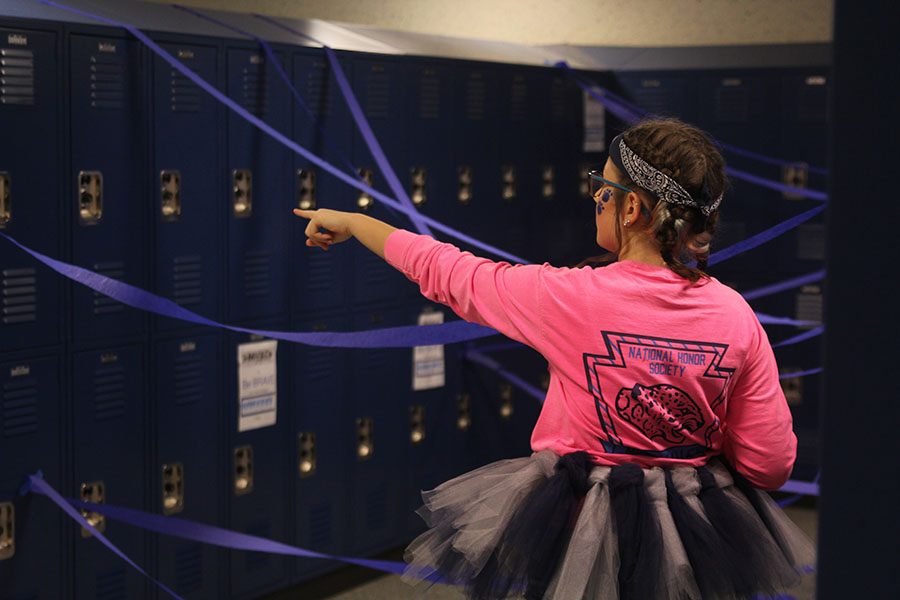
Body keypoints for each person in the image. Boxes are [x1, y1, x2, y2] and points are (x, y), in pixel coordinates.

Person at [292, 117, 815, 600]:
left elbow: (450, 272)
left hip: (581, 533)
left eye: (602, 188)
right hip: (699, 538)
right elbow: (769, 464)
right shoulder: (735, 315)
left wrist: (358, 223)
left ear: (630, 208)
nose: (596, 197)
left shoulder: (568, 298)